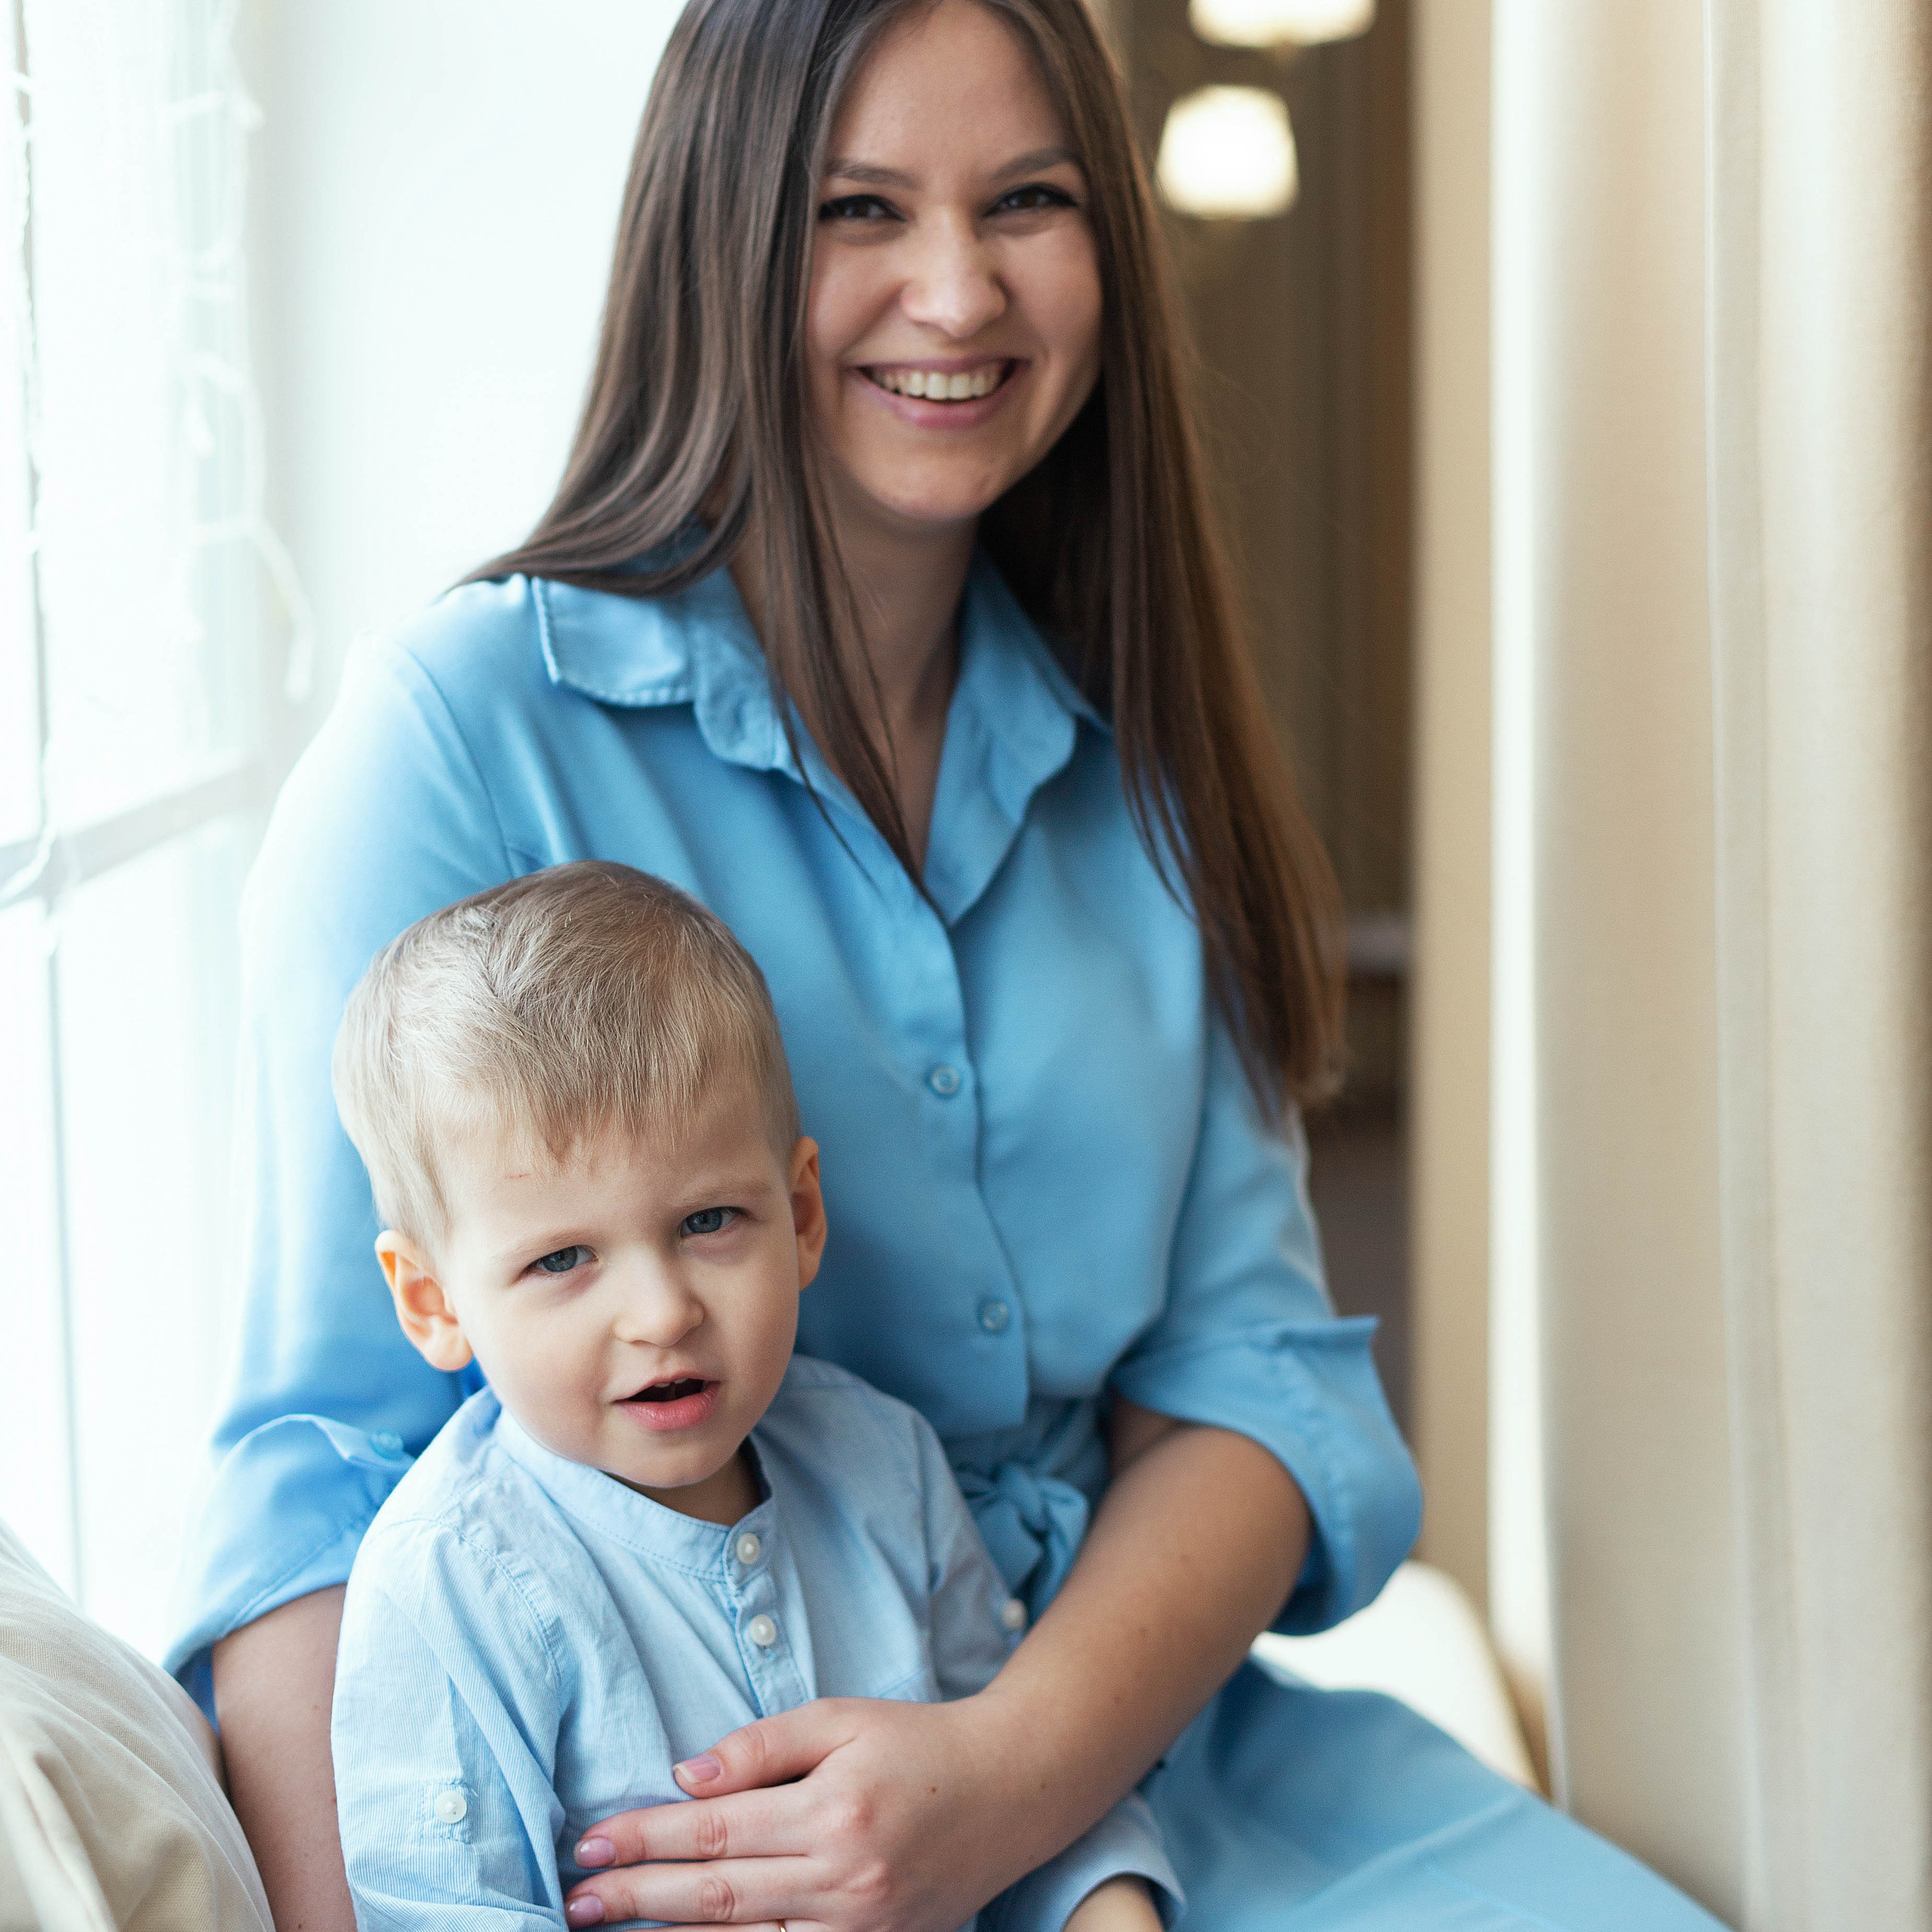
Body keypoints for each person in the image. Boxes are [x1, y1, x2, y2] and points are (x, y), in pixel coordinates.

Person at [169, 1, 1725, 1926]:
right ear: (723, 235)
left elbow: (1246, 1384)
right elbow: (321, 1482)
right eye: (858, 209)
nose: (955, 288)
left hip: (1130, 1762)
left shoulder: (1139, 746)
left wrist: (1009, 1777)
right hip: (678, 1836)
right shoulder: (456, 740)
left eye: (1027, 200)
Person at [326, 862, 1173, 1931]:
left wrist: (1109, 1909)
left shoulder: (886, 1466)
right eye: (563, 1260)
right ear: (435, 1300)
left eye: (709, 1222)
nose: (661, 1312)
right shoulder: (444, 1584)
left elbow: (1021, 1805)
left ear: (802, 1212)